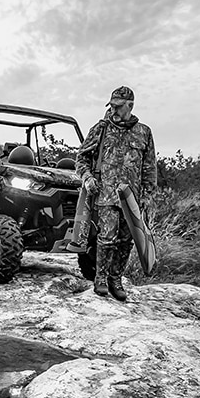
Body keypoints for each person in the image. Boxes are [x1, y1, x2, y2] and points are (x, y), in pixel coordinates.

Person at [75, 86, 157, 301]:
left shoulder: (144, 132)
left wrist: (147, 196)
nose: (113, 110)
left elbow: (149, 168)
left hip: (132, 198)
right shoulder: (100, 129)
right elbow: (82, 158)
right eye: (111, 105)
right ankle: (100, 279)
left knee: (126, 240)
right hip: (106, 193)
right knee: (106, 238)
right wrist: (88, 178)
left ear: (130, 105)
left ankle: (116, 279)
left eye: (118, 106)